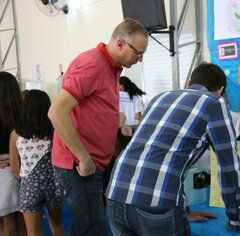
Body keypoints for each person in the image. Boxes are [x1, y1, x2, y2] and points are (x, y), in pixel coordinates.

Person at [106, 62, 240, 235]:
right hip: (156, 204)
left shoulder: (159, 98)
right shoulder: (215, 102)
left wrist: (185, 210)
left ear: (190, 82)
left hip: (115, 193)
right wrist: (236, 221)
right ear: (220, 90)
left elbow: (166, 156)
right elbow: (229, 167)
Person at [47, 18, 148, 235]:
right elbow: (56, 112)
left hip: (97, 161)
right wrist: (83, 157)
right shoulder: (92, 64)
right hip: (79, 163)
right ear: (120, 43)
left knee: (96, 224)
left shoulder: (112, 68)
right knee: (92, 229)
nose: (139, 59)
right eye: (137, 53)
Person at [9, 90, 65, 236]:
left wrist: (28, 180)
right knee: (57, 225)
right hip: (54, 184)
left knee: (33, 232)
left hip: (29, 187)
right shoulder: (55, 131)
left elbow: (14, 168)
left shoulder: (16, 134)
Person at [0, 71, 26, 236]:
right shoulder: (23, 115)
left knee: (6, 224)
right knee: (24, 221)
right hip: (23, 169)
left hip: (4, 170)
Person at [115, 75, 146, 156]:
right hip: (133, 129)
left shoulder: (114, 96)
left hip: (119, 129)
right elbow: (138, 116)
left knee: (119, 153)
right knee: (133, 153)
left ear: (121, 86)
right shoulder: (135, 97)